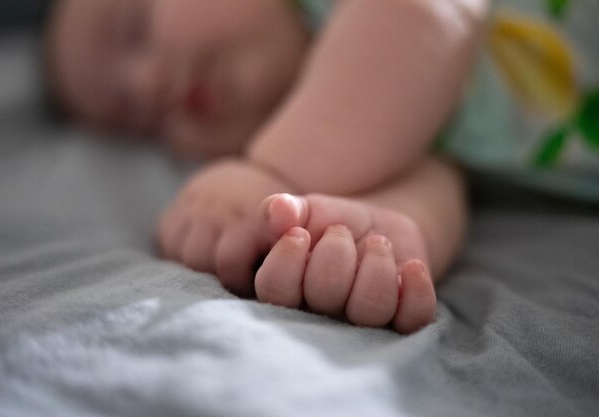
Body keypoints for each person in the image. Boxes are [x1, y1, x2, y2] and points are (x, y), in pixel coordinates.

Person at [45, 0, 599, 333]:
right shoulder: (357, 140)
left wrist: (275, 175)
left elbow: (423, 14)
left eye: (133, 27)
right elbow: (431, 176)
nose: (147, 86)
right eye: (141, 123)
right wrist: (372, 238)